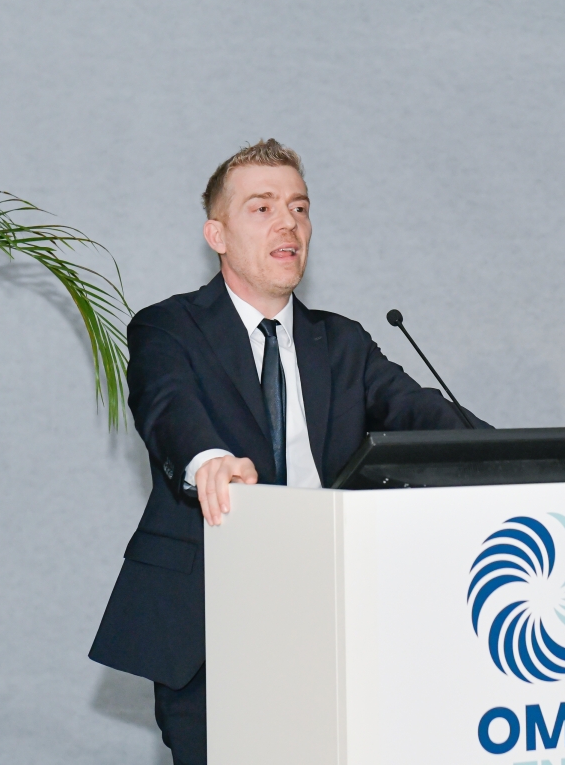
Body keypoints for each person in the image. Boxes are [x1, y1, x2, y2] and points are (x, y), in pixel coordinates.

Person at [88, 139, 487, 765]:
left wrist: (516, 460)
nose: (288, 223)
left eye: (299, 208)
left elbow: (425, 415)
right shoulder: (168, 327)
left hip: (335, 616)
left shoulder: (344, 343)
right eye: (262, 207)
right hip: (213, 622)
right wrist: (208, 461)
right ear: (217, 235)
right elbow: (167, 408)